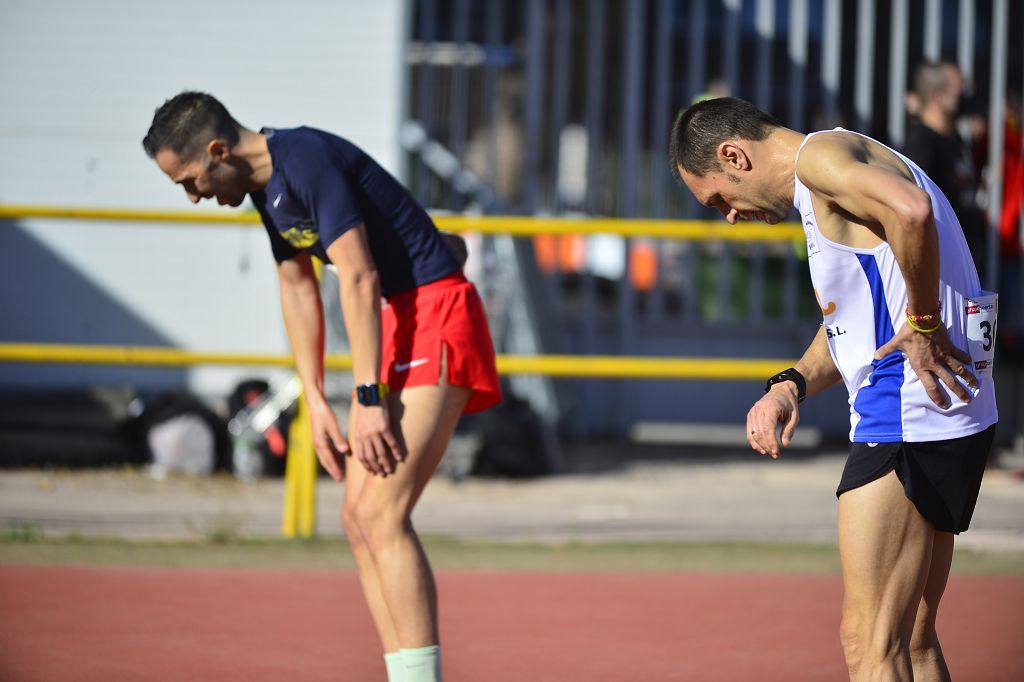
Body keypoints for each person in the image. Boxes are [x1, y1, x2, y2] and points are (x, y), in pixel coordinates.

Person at [143, 92, 502, 682]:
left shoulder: (303, 157)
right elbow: (299, 287)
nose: (192, 195)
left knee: (382, 514)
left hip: (435, 311)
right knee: (357, 518)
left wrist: (365, 401)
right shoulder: (265, 191)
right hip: (398, 320)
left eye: (189, 180)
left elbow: (357, 275)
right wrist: (314, 397)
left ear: (217, 151)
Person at [670, 97, 998, 680]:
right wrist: (791, 383)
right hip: (952, 405)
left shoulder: (817, 159)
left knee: (867, 644)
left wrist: (923, 325)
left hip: (905, 412)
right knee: (911, 641)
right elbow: (856, 317)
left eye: (719, 198)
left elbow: (913, 211)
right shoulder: (844, 157)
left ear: (733, 155)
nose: (729, 215)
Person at [903, 61, 986, 279]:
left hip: (968, 261)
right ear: (936, 96)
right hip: (943, 272)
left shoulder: (955, 138)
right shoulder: (921, 144)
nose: (966, 97)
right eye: (959, 91)